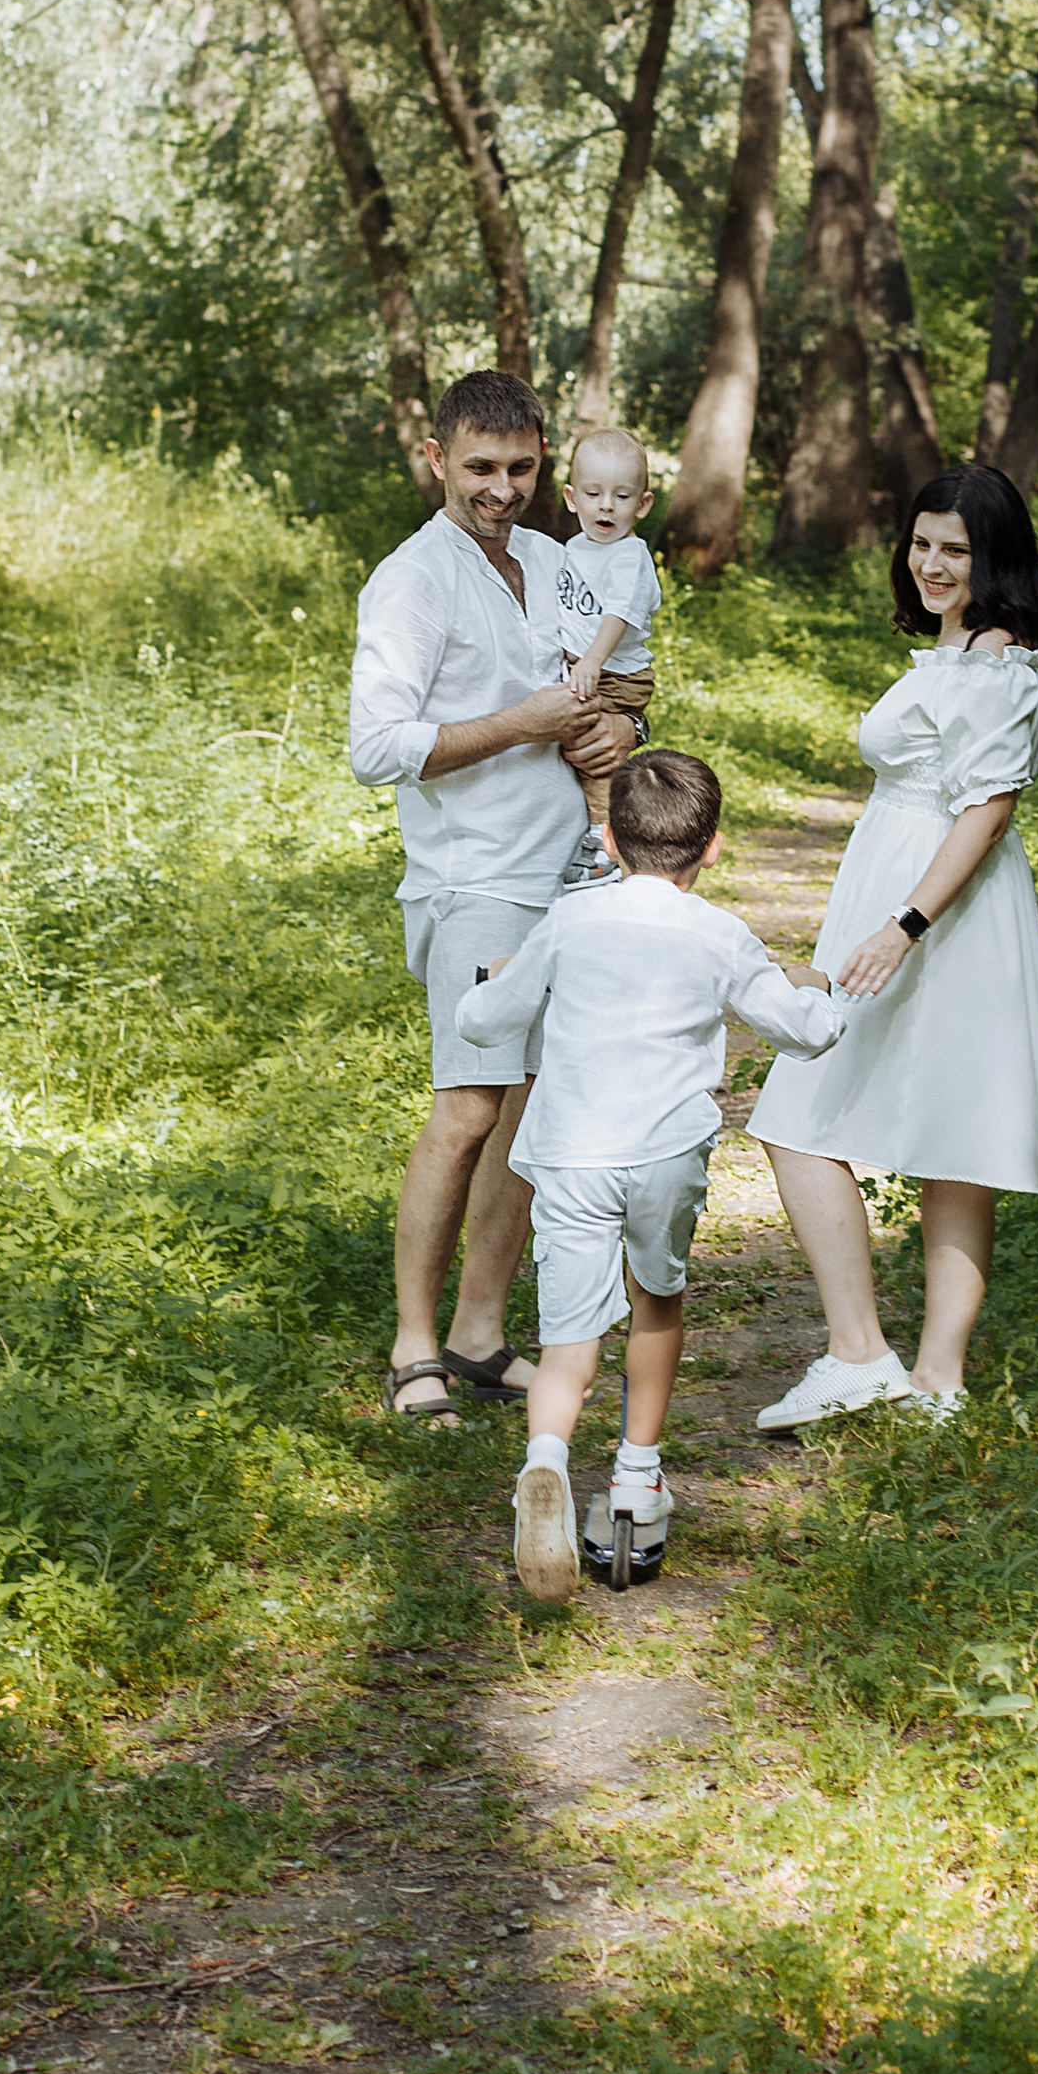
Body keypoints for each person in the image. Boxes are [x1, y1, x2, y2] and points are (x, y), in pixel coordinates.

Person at [452, 748, 846, 1603]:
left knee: (569, 1343)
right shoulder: (720, 934)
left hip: (572, 1155)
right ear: (712, 849)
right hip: (665, 1152)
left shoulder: (568, 922)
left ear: (608, 837)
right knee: (657, 1300)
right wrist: (818, 990)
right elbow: (804, 1031)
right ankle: (637, 1478)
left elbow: (487, 1021)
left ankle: (546, 1463)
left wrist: (492, 983)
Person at [347, 371, 638, 1426]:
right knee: (467, 1107)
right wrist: (523, 720)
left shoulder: (559, 561)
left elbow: (598, 689)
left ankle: (478, 1333)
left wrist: (616, 733)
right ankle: (413, 1346)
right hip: (473, 881)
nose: (501, 488)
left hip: (573, 873)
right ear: (437, 459)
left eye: (520, 468)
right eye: (479, 466)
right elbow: (375, 748)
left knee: (525, 1114)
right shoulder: (412, 582)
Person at [749, 462, 1038, 1431]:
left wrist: (905, 924)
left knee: (816, 1114)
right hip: (893, 891)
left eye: (954, 549)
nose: (930, 563)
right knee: (863, 1125)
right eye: (922, 543)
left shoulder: (999, 666)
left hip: (943, 911)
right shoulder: (954, 652)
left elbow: (987, 810)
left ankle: (911, 1368)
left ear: (992, 556)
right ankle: (894, 1364)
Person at [547, 428, 662, 872]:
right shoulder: (575, 548)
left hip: (615, 674)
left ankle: (603, 838)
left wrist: (591, 661)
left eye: (621, 495)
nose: (607, 506)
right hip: (583, 667)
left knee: (592, 748)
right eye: (594, 493)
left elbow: (619, 613)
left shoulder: (630, 556)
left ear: (643, 504)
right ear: (572, 498)